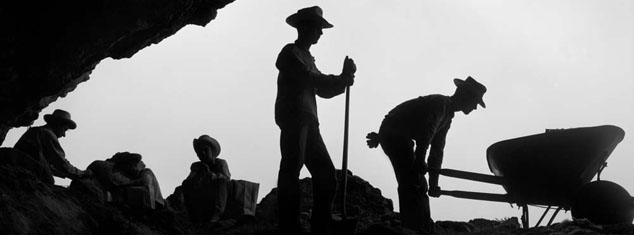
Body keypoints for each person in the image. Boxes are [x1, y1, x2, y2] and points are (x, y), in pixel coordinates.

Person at [366, 77, 487, 233]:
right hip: (393, 133)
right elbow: (427, 132)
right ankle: (411, 227)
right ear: (465, 96)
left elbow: (437, 150)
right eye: (475, 102)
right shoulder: (440, 104)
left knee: (420, 184)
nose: (475, 107)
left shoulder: (448, 116)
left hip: (400, 136)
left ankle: (422, 226)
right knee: (411, 180)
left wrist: (434, 183)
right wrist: (420, 160)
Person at [274, 6, 356, 235]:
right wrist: (340, 78)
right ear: (306, 27)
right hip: (294, 117)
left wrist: (344, 79)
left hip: (310, 120)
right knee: (292, 167)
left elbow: (321, 89)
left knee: (326, 173)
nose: (321, 33)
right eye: (318, 28)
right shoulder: (290, 53)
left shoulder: (308, 58)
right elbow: (312, 79)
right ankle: (289, 224)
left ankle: (322, 222)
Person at [13, 109, 89, 184]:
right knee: (49, 181)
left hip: (16, 166)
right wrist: (82, 174)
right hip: (24, 173)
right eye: (64, 129)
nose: (64, 135)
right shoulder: (48, 134)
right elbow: (61, 163)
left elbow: (51, 166)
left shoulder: (35, 130)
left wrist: (70, 175)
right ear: (58, 124)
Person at [182, 135, 230, 224]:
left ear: (211, 151)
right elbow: (188, 181)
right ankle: (192, 216)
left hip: (217, 194)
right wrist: (196, 176)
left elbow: (226, 179)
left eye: (205, 150)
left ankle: (217, 214)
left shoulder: (220, 163)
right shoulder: (196, 166)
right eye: (200, 151)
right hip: (201, 194)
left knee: (221, 182)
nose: (203, 153)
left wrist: (210, 175)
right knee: (185, 184)